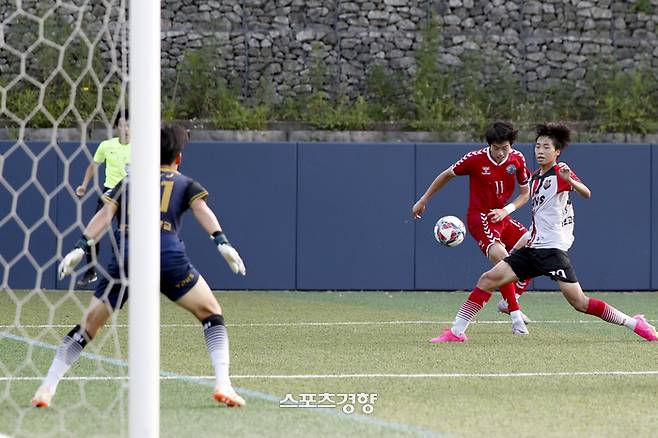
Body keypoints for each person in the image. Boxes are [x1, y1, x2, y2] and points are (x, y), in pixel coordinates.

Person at [32, 124, 248, 408]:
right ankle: (223, 384)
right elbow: (202, 211)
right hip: (168, 259)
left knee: (88, 326)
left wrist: (80, 246)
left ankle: (46, 388)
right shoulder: (184, 183)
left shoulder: (128, 183)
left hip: (126, 262)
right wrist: (222, 242)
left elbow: (105, 214)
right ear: (178, 157)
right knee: (211, 313)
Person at [431, 123, 657, 343]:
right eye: (538, 146)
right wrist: (522, 241)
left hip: (552, 250)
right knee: (488, 279)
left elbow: (586, 193)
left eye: (546, 147)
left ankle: (635, 323)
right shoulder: (535, 177)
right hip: (534, 246)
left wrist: (571, 182)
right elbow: (534, 209)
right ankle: (457, 331)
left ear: (557, 151)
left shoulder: (560, 172)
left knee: (580, 303)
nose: (540, 150)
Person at [412, 121, 532, 334]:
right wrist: (424, 199)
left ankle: (509, 300)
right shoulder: (475, 159)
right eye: (496, 148)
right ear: (489, 145)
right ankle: (515, 316)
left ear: (511, 145)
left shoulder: (518, 159)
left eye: (505, 148)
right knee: (503, 259)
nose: (500, 153)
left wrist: (506, 210)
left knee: (535, 247)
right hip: (481, 218)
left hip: (502, 217)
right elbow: (446, 174)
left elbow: (525, 194)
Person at [74, 110, 131, 288]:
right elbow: (93, 166)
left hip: (130, 195)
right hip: (109, 194)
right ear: (116, 127)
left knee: (127, 235)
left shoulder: (142, 147)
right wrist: (84, 185)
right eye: (123, 125)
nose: (126, 129)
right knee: (94, 233)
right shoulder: (106, 146)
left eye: (130, 125)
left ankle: (128, 274)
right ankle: (90, 271)